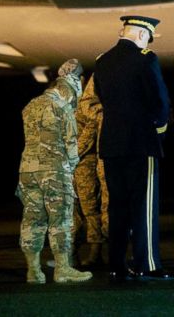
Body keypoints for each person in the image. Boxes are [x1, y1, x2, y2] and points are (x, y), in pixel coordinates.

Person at [95, 15, 174, 283]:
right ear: (143, 35)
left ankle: (117, 264)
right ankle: (148, 264)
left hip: (111, 143)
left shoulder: (102, 61)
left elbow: (103, 99)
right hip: (141, 142)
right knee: (144, 207)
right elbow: (160, 101)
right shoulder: (145, 58)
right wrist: (159, 130)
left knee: (117, 208)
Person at [16, 58, 93, 284]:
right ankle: (62, 269)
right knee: (60, 219)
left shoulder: (30, 105)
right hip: (54, 171)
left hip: (27, 171)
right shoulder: (62, 108)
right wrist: (72, 166)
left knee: (32, 218)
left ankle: (33, 270)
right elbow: (70, 146)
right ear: (71, 86)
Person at [72, 75, 109, 268]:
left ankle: (96, 253)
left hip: (85, 162)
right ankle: (74, 255)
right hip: (75, 163)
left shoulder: (87, 107)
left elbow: (91, 130)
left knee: (91, 209)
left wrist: (72, 154)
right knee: (76, 212)